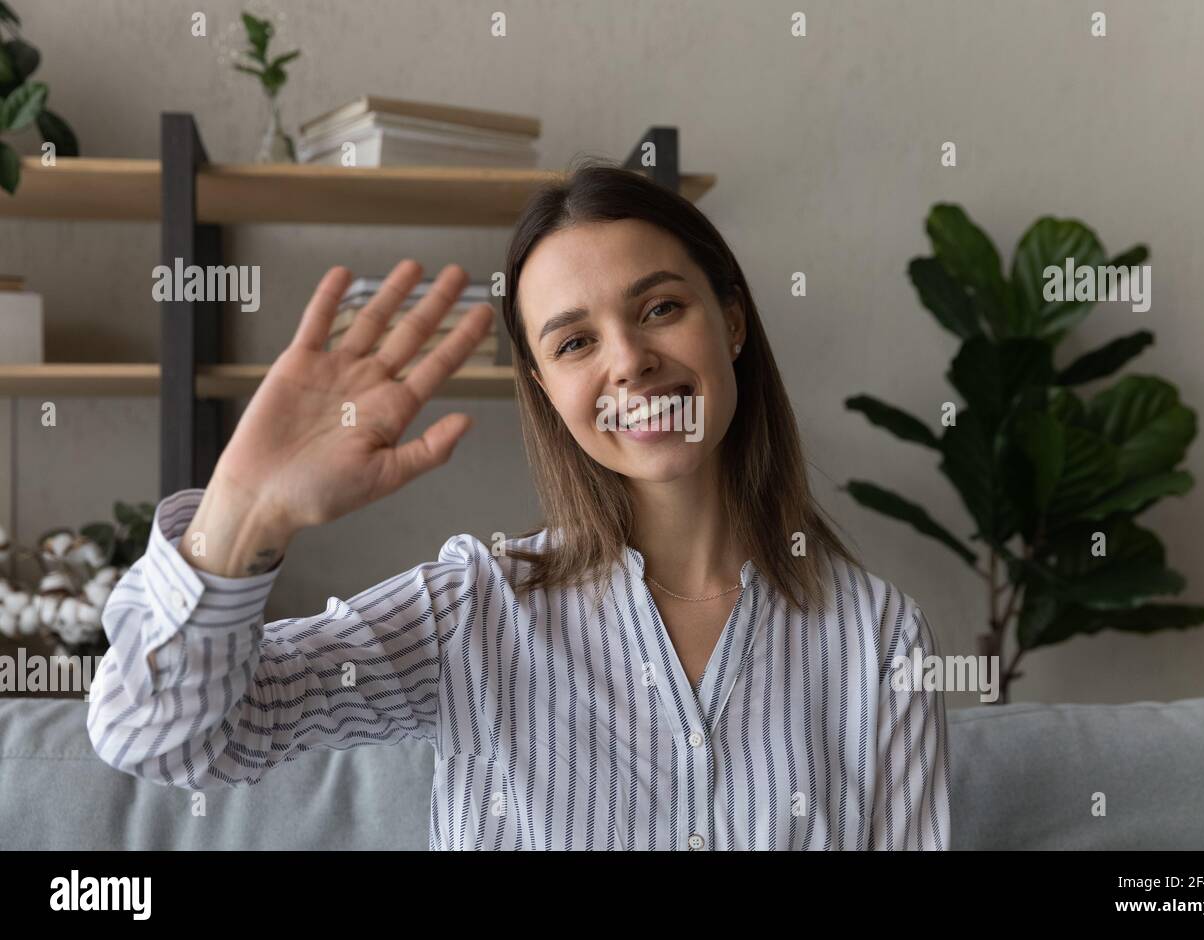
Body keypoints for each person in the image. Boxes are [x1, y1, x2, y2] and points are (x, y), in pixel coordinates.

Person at [86, 161, 951, 850]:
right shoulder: (475, 610)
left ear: (730, 322)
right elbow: (162, 741)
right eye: (575, 341)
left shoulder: (878, 641)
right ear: (545, 387)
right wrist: (243, 514)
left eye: (660, 308)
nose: (629, 361)